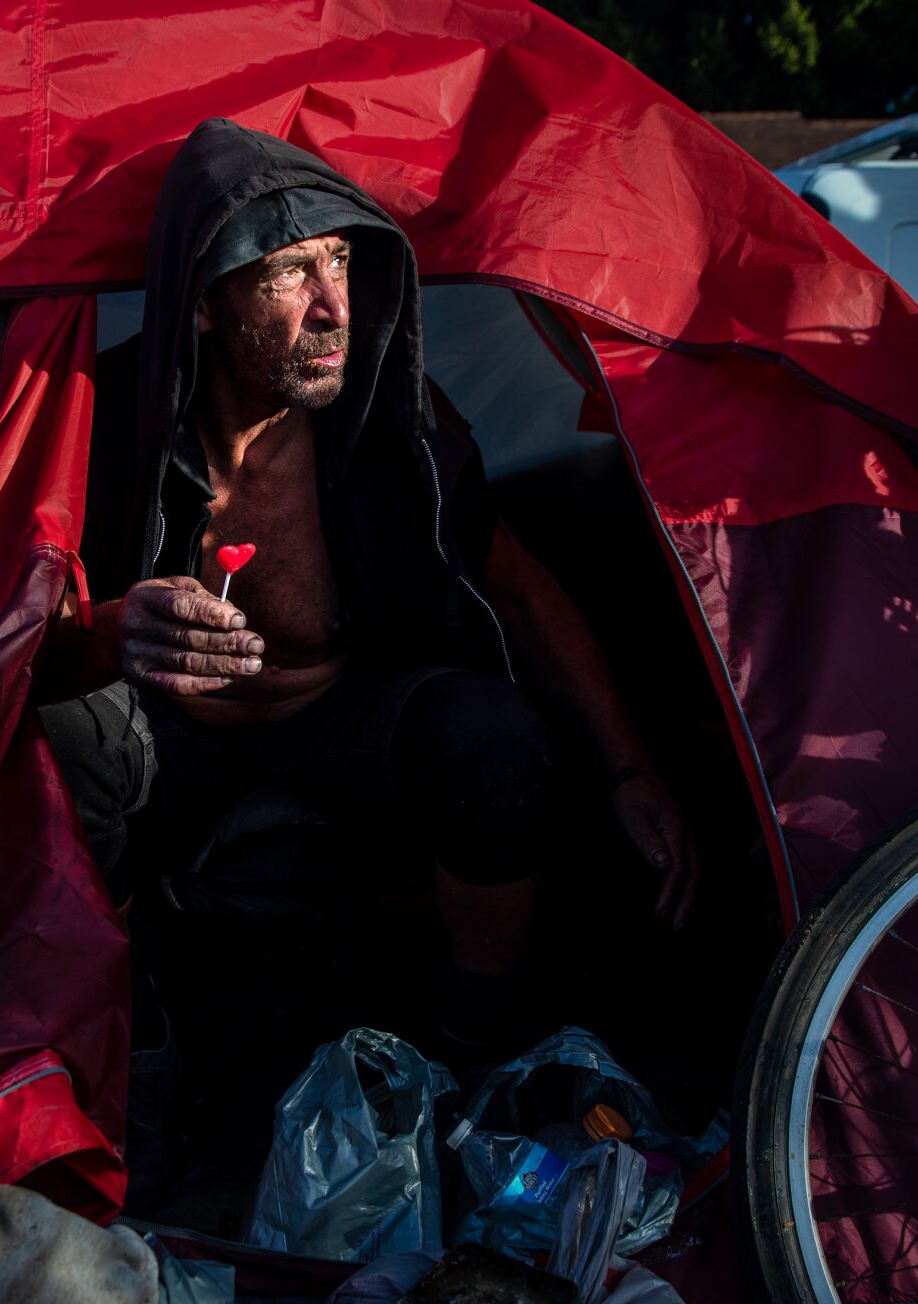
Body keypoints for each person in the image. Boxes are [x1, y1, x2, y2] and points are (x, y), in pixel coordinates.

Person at [39, 118, 691, 1047]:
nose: (333, 306)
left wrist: (631, 767)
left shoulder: (397, 433)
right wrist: (110, 632)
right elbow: (0, 645)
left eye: (339, 263)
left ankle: (473, 1044)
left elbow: (518, 587)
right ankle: (106, 1042)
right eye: (286, 273)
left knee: (495, 744)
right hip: (172, 738)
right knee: (67, 739)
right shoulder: (101, 427)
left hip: (340, 720)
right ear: (204, 302)